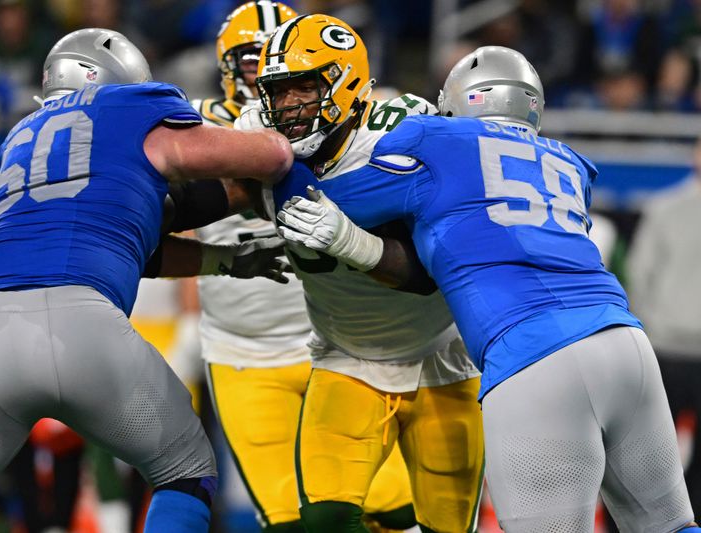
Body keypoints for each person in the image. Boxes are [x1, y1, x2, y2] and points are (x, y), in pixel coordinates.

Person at [277, 45, 699, 533]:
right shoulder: (570, 162)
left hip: (533, 355)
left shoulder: (433, 138)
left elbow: (318, 203)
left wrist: (281, 156)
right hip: (626, 343)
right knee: (672, 525)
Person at [0, 27, 294, 533]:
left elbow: (129, 242)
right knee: (185, 471)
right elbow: (270, 158)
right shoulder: (130, 108)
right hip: (80, 325)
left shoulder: (19, 138)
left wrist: (222, 259)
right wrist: (271, 136)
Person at [238, 13, 484, 533]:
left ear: (347, 81)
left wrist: (352, 241)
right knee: (326, 521)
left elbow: (434, 271)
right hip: (347, 357)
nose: (288, 106)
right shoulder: (260, 142)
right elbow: (198, 201)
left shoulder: (404, 134)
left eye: (304, 87)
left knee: (448, 527)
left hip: (439, 357)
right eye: (278, 92)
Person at [189, 4, 420, 532]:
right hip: (241, 348)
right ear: (228, 66)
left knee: (393, 508)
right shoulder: (193, 125)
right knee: (290, 521)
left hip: (331, 338)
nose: (271, 75)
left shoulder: (352, 119)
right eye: (255, 59)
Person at [628, 144, 701, 517]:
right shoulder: (663, 208)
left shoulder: (662, 207)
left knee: (646, 456)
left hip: (663, 350)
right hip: (669, 349)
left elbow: (639, 278)